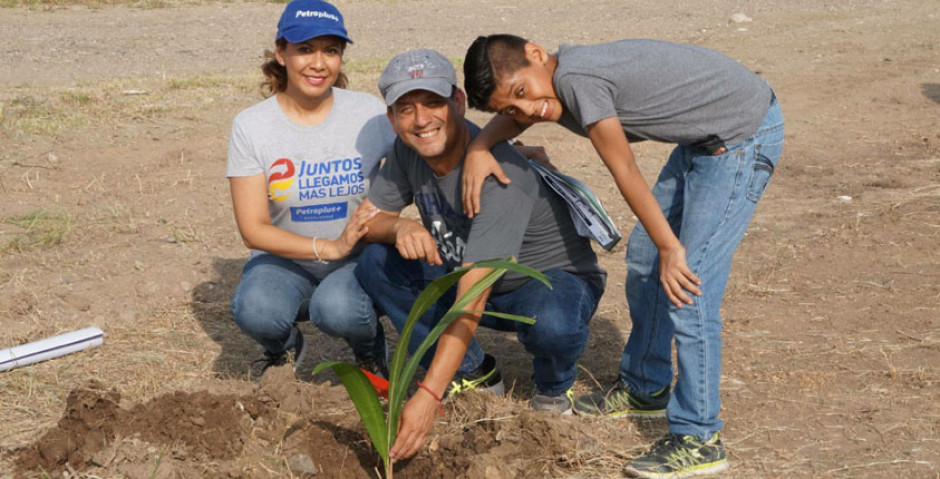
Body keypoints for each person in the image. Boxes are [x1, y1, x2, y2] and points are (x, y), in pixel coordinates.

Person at [461, 35, 784, 478]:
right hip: (701, 143)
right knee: (646, 258)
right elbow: (517, 117)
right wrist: (481, 147)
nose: (528, 109)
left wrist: (674, 248)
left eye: (522, 92)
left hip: (741, 136)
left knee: (687, 282)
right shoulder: (553, 82)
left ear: (537, 54)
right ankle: (645, 388)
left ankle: (699, 436)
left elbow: (624, 168)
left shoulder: (576, 79)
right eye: (511, 107)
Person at [353, 49, 607, 462]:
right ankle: (475, 372)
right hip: (468, 275)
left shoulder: (500, 173)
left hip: (543, 281)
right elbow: (371, 220)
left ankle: (554, 386)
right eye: (406, 109)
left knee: (554, 324)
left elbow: (473, 294)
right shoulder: (406, 152)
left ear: (458, 102)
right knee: (376, 264)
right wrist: (400, 225)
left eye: (434, 103)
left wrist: (428, 395)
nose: (421, 120)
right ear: (391, 119)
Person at [226, 0, 394, 378]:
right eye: (305, 49)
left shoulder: (368, 113)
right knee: (256, 308)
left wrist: (490, 147)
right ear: (281, 53)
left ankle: (370, 352)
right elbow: (253, 230)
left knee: (338, 308)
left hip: (358, 258)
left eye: (331, 51)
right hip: (287, 261)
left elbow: (427, 144)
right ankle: (284, 351)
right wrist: (327, 248)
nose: (319, 63)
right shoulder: (252, 126)